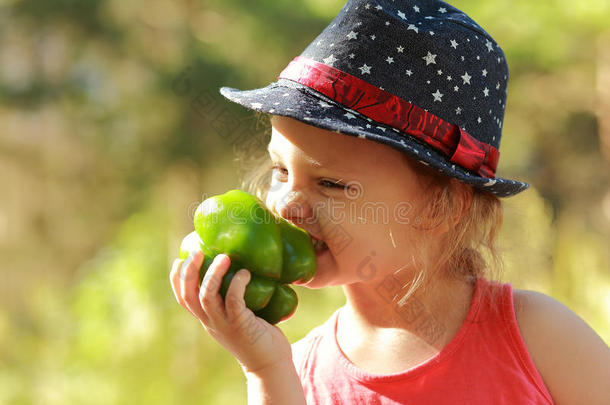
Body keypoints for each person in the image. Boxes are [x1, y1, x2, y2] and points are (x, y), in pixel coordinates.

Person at [169, 0, 610, 403]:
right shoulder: (294, 372)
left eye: (331, 184)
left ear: (443, 207)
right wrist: (263, 370)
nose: (286, 205)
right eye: (281, 172)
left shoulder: (538, 339)